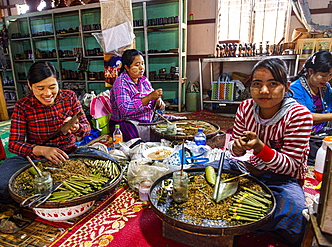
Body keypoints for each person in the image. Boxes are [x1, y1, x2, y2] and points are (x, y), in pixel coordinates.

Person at [195, 58, 313, 246]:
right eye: (257, 84)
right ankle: (254, 220)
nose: (264, 91)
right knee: (203, 170)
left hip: (282, 179)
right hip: (248, 168)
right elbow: (234, 150)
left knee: (295, 217)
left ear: (286, 86)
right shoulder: (246, 107)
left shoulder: (299, 116)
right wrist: (238, 147)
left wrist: (260, 148)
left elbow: (290, 166)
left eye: (273, 84)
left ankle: (243, 219)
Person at [0, 61, 113, 205]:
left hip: (69, 154)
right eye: (40, 88)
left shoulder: (69, 98)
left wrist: (77, 128)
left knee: (110, 166)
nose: (47, 93)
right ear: (30, 85)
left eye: (52, 87)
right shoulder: (23, 107)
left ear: (58, 83)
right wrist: (41, 150)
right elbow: (14, 145)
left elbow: (87, 128)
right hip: (34, 161)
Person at [109, 49, 166, 141]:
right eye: (137, 65)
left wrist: (158, 101)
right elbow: (125, 109)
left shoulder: (144, 80)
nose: (141, 68)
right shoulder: (121, 83)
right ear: (127, 67)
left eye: (142, 64)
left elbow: (155, 101)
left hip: (146, 119)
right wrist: (149, 98)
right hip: (125, 122)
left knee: (172, 125)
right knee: (135, 137)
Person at [289, 51, 332, 164]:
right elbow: (304, 117)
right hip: (302, 137)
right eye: (323, 76)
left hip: (320, 133)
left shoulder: (325, 87)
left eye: (330, 75)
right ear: (310, 71)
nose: (327, 79)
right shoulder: (295, 89)